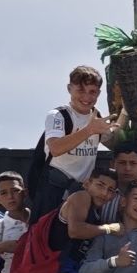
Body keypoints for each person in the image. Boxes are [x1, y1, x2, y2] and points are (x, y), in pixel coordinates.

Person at [32, 64, 118, 217]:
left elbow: (112, 141)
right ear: (69, 89)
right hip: (55, 192)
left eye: (92, 92)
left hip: (83, 193)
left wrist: (125, 113)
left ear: (98, 93)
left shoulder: (96, 117)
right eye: (81, 90)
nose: (86, 97)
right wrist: (89, 130)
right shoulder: (58, 115)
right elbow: (55, 148)